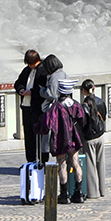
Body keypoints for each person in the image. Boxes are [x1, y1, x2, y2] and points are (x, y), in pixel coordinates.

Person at [39, 74, 86, 204]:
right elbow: (82, 120)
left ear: (60, 91)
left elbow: (47, 123)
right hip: (74, 138)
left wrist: (37, 128)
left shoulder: (56, 107)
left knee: (62, 165)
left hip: (60, 139)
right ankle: (79, 192)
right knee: (75, 163)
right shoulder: (75, 105)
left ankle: (64, 194)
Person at [13, 50, 48, 165]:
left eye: (32, 63)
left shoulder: (43, 70)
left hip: (37, 108)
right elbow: (18, 83)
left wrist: (32, 92)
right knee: (28, 135)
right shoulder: (27, 70)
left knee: (39, 136)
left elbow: (44, 89)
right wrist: (21, 90)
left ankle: (41, 161)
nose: (30, 66)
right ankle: (30, 160)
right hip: (26, 107)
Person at [77, 79, 107, 200]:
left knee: (91, 165)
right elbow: (105, 115)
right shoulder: (100, 101)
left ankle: (93, 192)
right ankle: (102, 189)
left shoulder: (84, 105)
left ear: (83, 91)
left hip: (89, 138)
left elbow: (82, 123)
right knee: (101, 163)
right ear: (94, 88)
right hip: (100, 135)